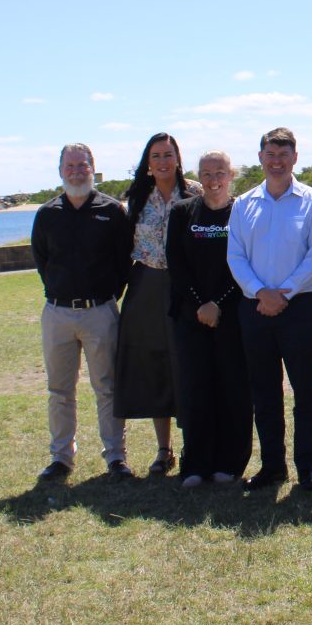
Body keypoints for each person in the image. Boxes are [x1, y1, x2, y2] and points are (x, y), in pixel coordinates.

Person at [227, 127, 312, 492]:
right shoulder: (243, 204)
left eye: (283, 155)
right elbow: (235, 257)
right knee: (264, 391)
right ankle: (273, 465)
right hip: (254, 308)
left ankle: (306, 466)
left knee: (305, 389)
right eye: (270, 155)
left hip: (300, 307)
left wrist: (282, 295)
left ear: (295, 159)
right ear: (260, 158)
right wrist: (260, 293)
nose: (276, 162)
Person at [31, 143, 133, 480]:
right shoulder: (47, 214)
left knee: (107, 387)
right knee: (59, 390)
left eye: (82, 165)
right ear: (60, 170)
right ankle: (61, 458)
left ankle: (116, 457)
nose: (77, 171)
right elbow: (42, 261)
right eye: (70, 165)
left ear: (93, 168)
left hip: (100, 311)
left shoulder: (112, 211)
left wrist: (106, 299)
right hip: (58, 314)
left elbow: (123, 263)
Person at [114, 133, 201, 475]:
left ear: (178, 158)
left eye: (168, 154)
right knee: (155, 366)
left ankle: (195, 443)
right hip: (146, 285)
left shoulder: (195, 192)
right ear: (147, 163)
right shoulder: (135, 198)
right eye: (156, 156)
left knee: (188, 362)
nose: (163, 161)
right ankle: (164, 450)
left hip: (186, 286)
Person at [165, 150, 252, 487]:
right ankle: (196, 464)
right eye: (206, 173)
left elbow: (245, 262)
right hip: (190, 315)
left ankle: (230, 463)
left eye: (220, 172)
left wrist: (219, 303)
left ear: (231, 175)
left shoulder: (242, 213)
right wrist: (202, 304)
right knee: (196, 388)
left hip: (232, 315)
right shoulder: (182, 212)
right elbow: (177, 265)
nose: (213, 179)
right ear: (197, 177)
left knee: (233, 388)